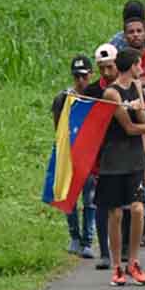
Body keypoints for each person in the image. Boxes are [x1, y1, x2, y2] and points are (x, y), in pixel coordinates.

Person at [96, 47, 145, 287]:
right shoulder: (111, 93)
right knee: (115, 213)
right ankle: (117, 265)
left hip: (135, 158)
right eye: (139, 65)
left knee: (138, 209)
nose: (142, 69)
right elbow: (129, 128)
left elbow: (142, 124)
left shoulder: (136, 87)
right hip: (114, 160)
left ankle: (133, 262)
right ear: (133, 65)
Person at [52, 55, 96, 260]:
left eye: (84, 76)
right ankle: (74, 237)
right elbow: (57, 127)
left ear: (91, 75)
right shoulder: (63, 98)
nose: (80, 80)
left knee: (89, 200)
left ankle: (88, 240)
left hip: (88, 156)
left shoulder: (96, 97)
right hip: (69, 154)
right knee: (69, 199)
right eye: (77, 76)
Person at [84, 43, 119, 270]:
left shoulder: (126, 88)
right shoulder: (91, 92)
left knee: (127, 205)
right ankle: (105, 253)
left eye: (110, 67)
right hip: (102, 155)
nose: (106, 73)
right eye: (102, 68)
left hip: (125, 150)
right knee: (102, 203)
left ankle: (124, 249)